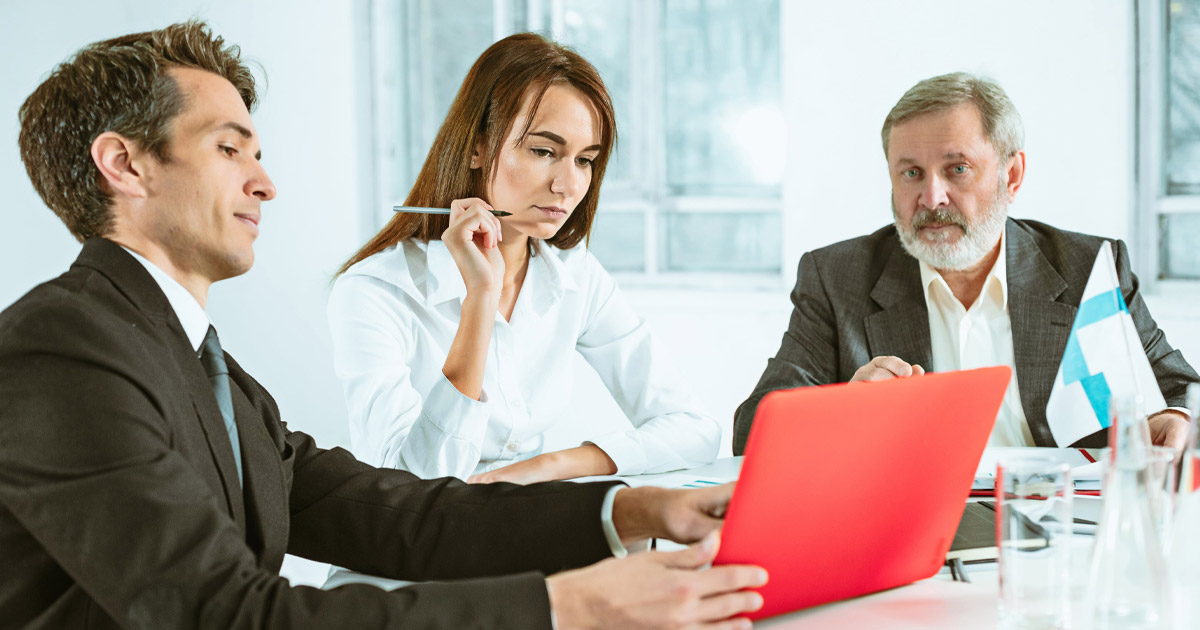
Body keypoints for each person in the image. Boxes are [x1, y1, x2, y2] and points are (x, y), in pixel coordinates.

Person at [0, 21, 768, 629]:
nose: (265, 183)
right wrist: (576, 608)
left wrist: (624, 507)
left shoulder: (201, 361)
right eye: (230, 149)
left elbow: (396, 513)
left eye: (258, 153)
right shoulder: (62, 353)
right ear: (125, 166)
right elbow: (221, 614)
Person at [733, 72, 1198, 455]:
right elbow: (751, 431)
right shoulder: (838, 278)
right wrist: (845, 411)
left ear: (1011, 175)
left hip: (1057, 529)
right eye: (911, 172)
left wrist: (1171, 416)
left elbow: (1183, 392)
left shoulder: (1087, 270)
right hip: (903, 528)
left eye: (957, 169)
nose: (932, 198)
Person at [328, 33, 720, 484]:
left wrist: (550, 466)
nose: (568, 185)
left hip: (521, 526)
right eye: (543, 151)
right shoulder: (376, 290)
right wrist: (480, 297)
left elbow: (694, 428)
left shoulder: (574, 275)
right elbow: (407, 484)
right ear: (476, 147)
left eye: (585, 160)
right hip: (415, 545)